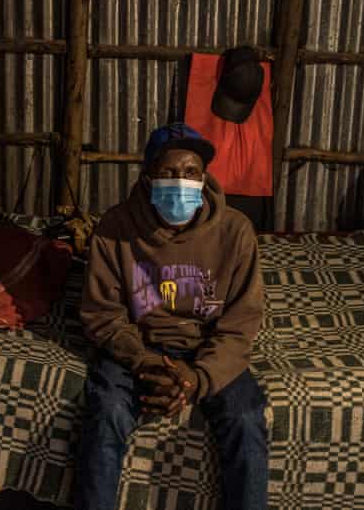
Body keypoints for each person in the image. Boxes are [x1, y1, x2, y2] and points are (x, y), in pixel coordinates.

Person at [75, 123, 268, 510]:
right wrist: (146, 363)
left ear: (204, 178)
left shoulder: (235, 231)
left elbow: (241, 321)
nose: (181, 182)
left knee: (247, 419)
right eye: (168, 172)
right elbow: (102, 313)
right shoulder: (116, 229)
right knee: (106, 413)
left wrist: (198, 378)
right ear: (148, 180)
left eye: (192, 172)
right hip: (139, 348)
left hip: (206, 346)